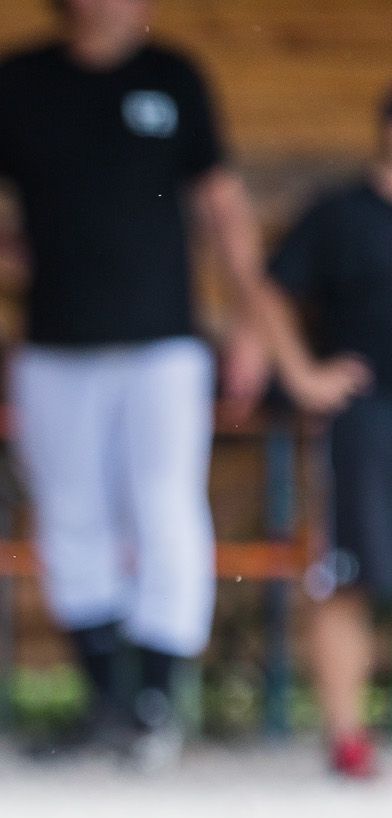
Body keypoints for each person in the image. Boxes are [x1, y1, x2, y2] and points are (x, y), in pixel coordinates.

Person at [0, 0, 271, 770]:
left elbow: (222, 205)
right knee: (69, 511)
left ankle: (155, 701)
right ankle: (104, 699)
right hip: (57, 341)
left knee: (165, 505)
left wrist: (249, 323)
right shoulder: (20, 82)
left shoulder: (172, 77)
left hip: (164, 342)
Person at [253, 90, 392, 778]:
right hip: (365, 416)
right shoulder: (339, 214)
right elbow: (268, 289)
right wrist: (303, 375)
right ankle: (347, 737)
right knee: (349, 575)